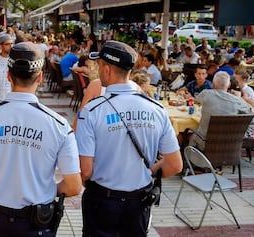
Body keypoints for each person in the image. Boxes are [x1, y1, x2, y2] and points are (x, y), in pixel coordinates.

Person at [0, 41, 82, 236]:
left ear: (8, 76)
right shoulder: (59, 125)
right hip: (37, 221)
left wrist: (1, 179)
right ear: (40, 77)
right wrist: (44, 187)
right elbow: (74, 186)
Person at [75, 40, 182, 236]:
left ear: (107, 70)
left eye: (98, 66)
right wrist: (149, 172)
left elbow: (85, 170)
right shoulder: (157, 109)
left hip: (102, 201)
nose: (97, 71)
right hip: (139, 201)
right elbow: (175, 165)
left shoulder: (92, 111)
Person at [190, 71, 253, 150]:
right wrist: (240, 98)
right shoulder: (237, 101)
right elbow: (251, 113)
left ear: (213, 83)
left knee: (189, 133)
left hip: (204, 143)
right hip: (230, 145)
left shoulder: (206, 94)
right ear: (229, 85)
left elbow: (196, 100)